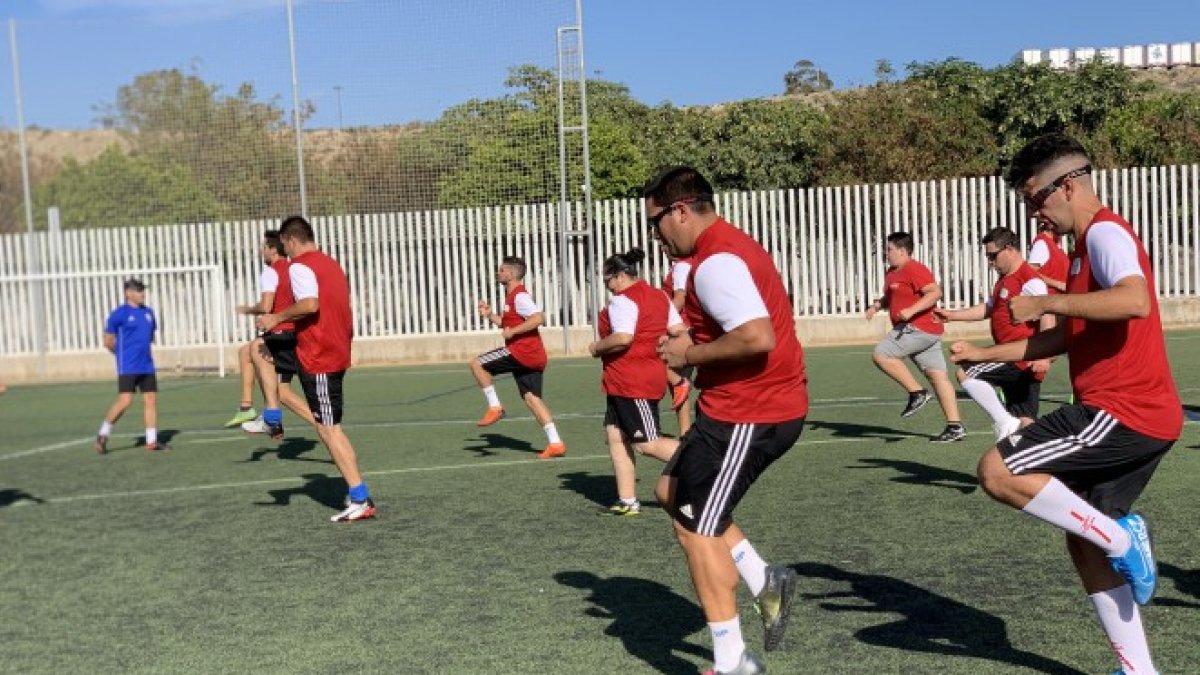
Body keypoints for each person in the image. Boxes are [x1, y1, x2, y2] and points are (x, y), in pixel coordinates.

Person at [950, 133, 1179, 675]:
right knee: (1083, 542)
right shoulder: (1083, 249)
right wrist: (985, 352)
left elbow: (1135, 299)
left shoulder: (1105, 232)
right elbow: (1060, 340)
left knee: (998, 471)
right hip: (1137, 415)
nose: (1036, 215)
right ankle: (1138, 669)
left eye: (1036, 199)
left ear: (1067, 185)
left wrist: (1047, 299)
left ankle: (1125, 536)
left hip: (1124, 412)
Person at [648, 166, 806, 675]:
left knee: (699, 531)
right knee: (670, 492)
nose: (655, 236)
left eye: (656, 223)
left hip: (752, 413)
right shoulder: (724, 247)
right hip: (737, 408)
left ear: (679, 211)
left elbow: (757, 337)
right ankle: (766, 579)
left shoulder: (715, 261)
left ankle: (734, 662)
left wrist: (689, 356)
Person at [256, 216, 375, 523]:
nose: (286, 253)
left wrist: (275, 318)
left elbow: (310, 305)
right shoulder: (330, 263)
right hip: (334, 350)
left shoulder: (299, 266)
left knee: (328, 429)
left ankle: (360, 497)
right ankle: (358, 493)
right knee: (328, 425)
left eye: (285, 246)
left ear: (290, 241)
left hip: (319, 356)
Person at [588, 247, 687, 516]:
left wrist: (597, 347)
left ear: (620, 276)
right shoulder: (659, 296)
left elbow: (623, 338)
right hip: (629, 380)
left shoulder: (623, 300)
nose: (607, 286)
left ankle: (704, 460)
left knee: (646, 443)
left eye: (607, 279)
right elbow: (678, 330)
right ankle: (628, 500)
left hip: (633, 381)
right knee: (616, 437)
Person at [935, 227, 1055, 440]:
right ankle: (1035, 466)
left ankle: (1004, 422)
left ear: (1009, 249)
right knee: (1025, 422)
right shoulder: (1004, 279)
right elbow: (989, 308)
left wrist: (1045, 356)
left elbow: (1047, 316)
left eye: (993, 255)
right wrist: (952, 315)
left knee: (967, 371)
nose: (990, 261)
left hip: (1018, 357)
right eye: (987, 256)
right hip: (1015, 359)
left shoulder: (1029, 279)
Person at [864, 232, 965, 442]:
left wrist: (910, 311)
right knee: (938, 377)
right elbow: (891, 295)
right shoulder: (891, 272)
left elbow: (935, 292)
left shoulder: (914, 268)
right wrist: (876, 305)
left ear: (902, 251)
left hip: (918, 328)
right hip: (923, 332)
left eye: (889, 249)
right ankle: (955, 426)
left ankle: (917, 392)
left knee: (882, 355)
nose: (886, 253)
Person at [470, 256, 565, 459]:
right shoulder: (511, 297)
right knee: (532, 399)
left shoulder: (520, 297)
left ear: (512, 274)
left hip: (522, 352)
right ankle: (556, 442)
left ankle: (495, 407)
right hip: (534, 355)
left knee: (477, 364)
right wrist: (489, 315)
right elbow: (507, 324)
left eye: (501, 270)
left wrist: (513, 332)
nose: (498, 273)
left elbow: (538, 318)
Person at [237, 229, 316, 438]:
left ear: (272, 250)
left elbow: (266, 305)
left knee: (256, 348)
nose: (261, 252)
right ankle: (261, 414)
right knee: (282, 390)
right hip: (296, 334)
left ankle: (269, 417)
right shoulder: (295, 269)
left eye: (264, 248)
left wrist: (248, 310)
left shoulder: (271, 272)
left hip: (282, 334)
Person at [95, 278, 168, 454]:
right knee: (125, 401)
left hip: (146, 365)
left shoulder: (149, 313)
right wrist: (122, 356)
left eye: (143, 290)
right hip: (128, 365)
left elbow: (149, 338)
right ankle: (103, 433)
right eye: (138, 290)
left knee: (150, 400)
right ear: (128, 293)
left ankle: (151, 440)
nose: (142, 293)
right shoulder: (119, 314)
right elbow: (108, 341)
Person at [662, 253, 695, 435]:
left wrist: (661, 320)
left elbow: (680, 299)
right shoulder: (693, 264)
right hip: (690, 328)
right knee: (680, 386)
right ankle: (685, 433)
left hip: (682, 329)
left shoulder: (682, 266)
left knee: (653, 357)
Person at [1028, 219, 1070, 293]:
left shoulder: (1055, 245)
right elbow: (1030, 273)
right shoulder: (1042, 243)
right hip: (1049, 300)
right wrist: (1058, 284)